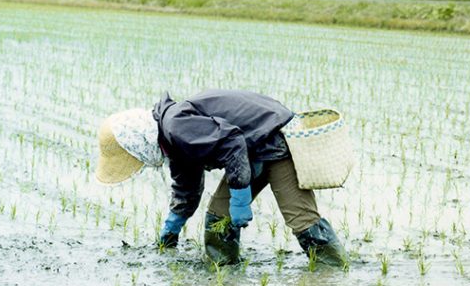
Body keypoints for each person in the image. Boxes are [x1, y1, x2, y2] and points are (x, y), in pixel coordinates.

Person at [95, 89, 347, 267]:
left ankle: (334, 274)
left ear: (139, 142)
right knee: (218, 216)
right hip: (252, 150)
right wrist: (172, 227)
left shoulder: (176, 127)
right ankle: (226, 273)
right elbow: (187, 187)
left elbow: (233, 142)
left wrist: (240, 199)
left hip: (276, 141)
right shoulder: (173, 140)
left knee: (301, 219)